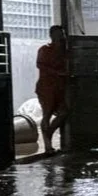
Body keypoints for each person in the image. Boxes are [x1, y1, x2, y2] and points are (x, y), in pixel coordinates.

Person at [35, 25, 69, 155]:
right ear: (51, 35)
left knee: (63, 112)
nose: (60, 36)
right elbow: (40, 65)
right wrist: (57, 73)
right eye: (57, 33)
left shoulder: (65, 51)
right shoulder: (45, 49)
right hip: (46, 87)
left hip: (59, 87)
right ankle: (47, 146)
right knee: (47, 113)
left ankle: (48, 133)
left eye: (61, 33)